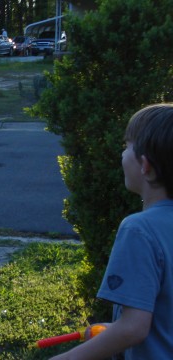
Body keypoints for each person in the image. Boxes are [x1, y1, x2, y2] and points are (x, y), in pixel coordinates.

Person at [50, 104, 173, 359]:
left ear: (145, 165)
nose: (122, 154)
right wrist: (112, 330)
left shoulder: (140, 230)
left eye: (126, 146)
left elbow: (134, 329)